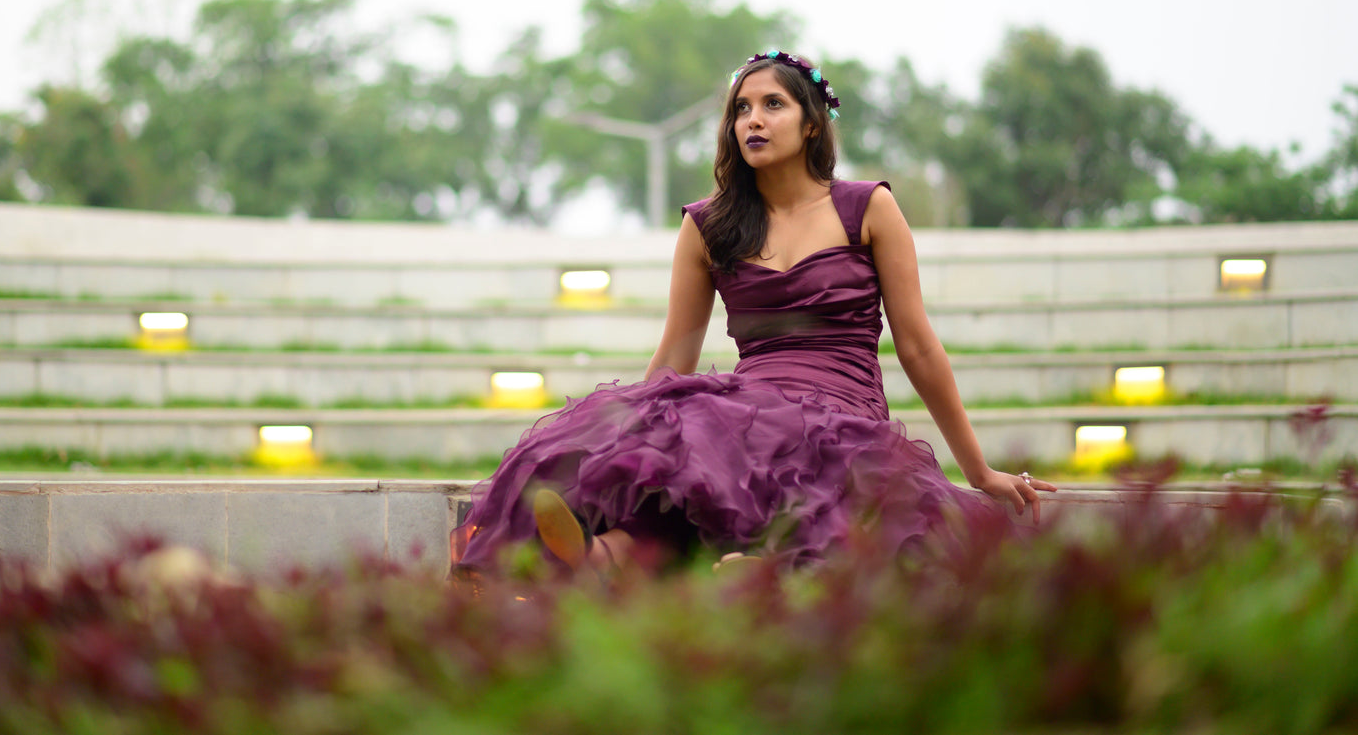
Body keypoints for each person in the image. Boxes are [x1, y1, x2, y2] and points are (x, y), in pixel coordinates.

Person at [451, 50, 1055, 577]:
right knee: (695, 456)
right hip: (747, 404)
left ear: (812, 125)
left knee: (812, 470)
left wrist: (978, 471)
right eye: (741, 109)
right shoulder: (707, 225)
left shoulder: (868, 208)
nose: (753, 120)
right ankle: (604, 555)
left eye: (772, 105)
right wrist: (623, 447)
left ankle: (768, 566)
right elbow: (674, 355)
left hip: (843, 412)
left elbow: (919, 349)